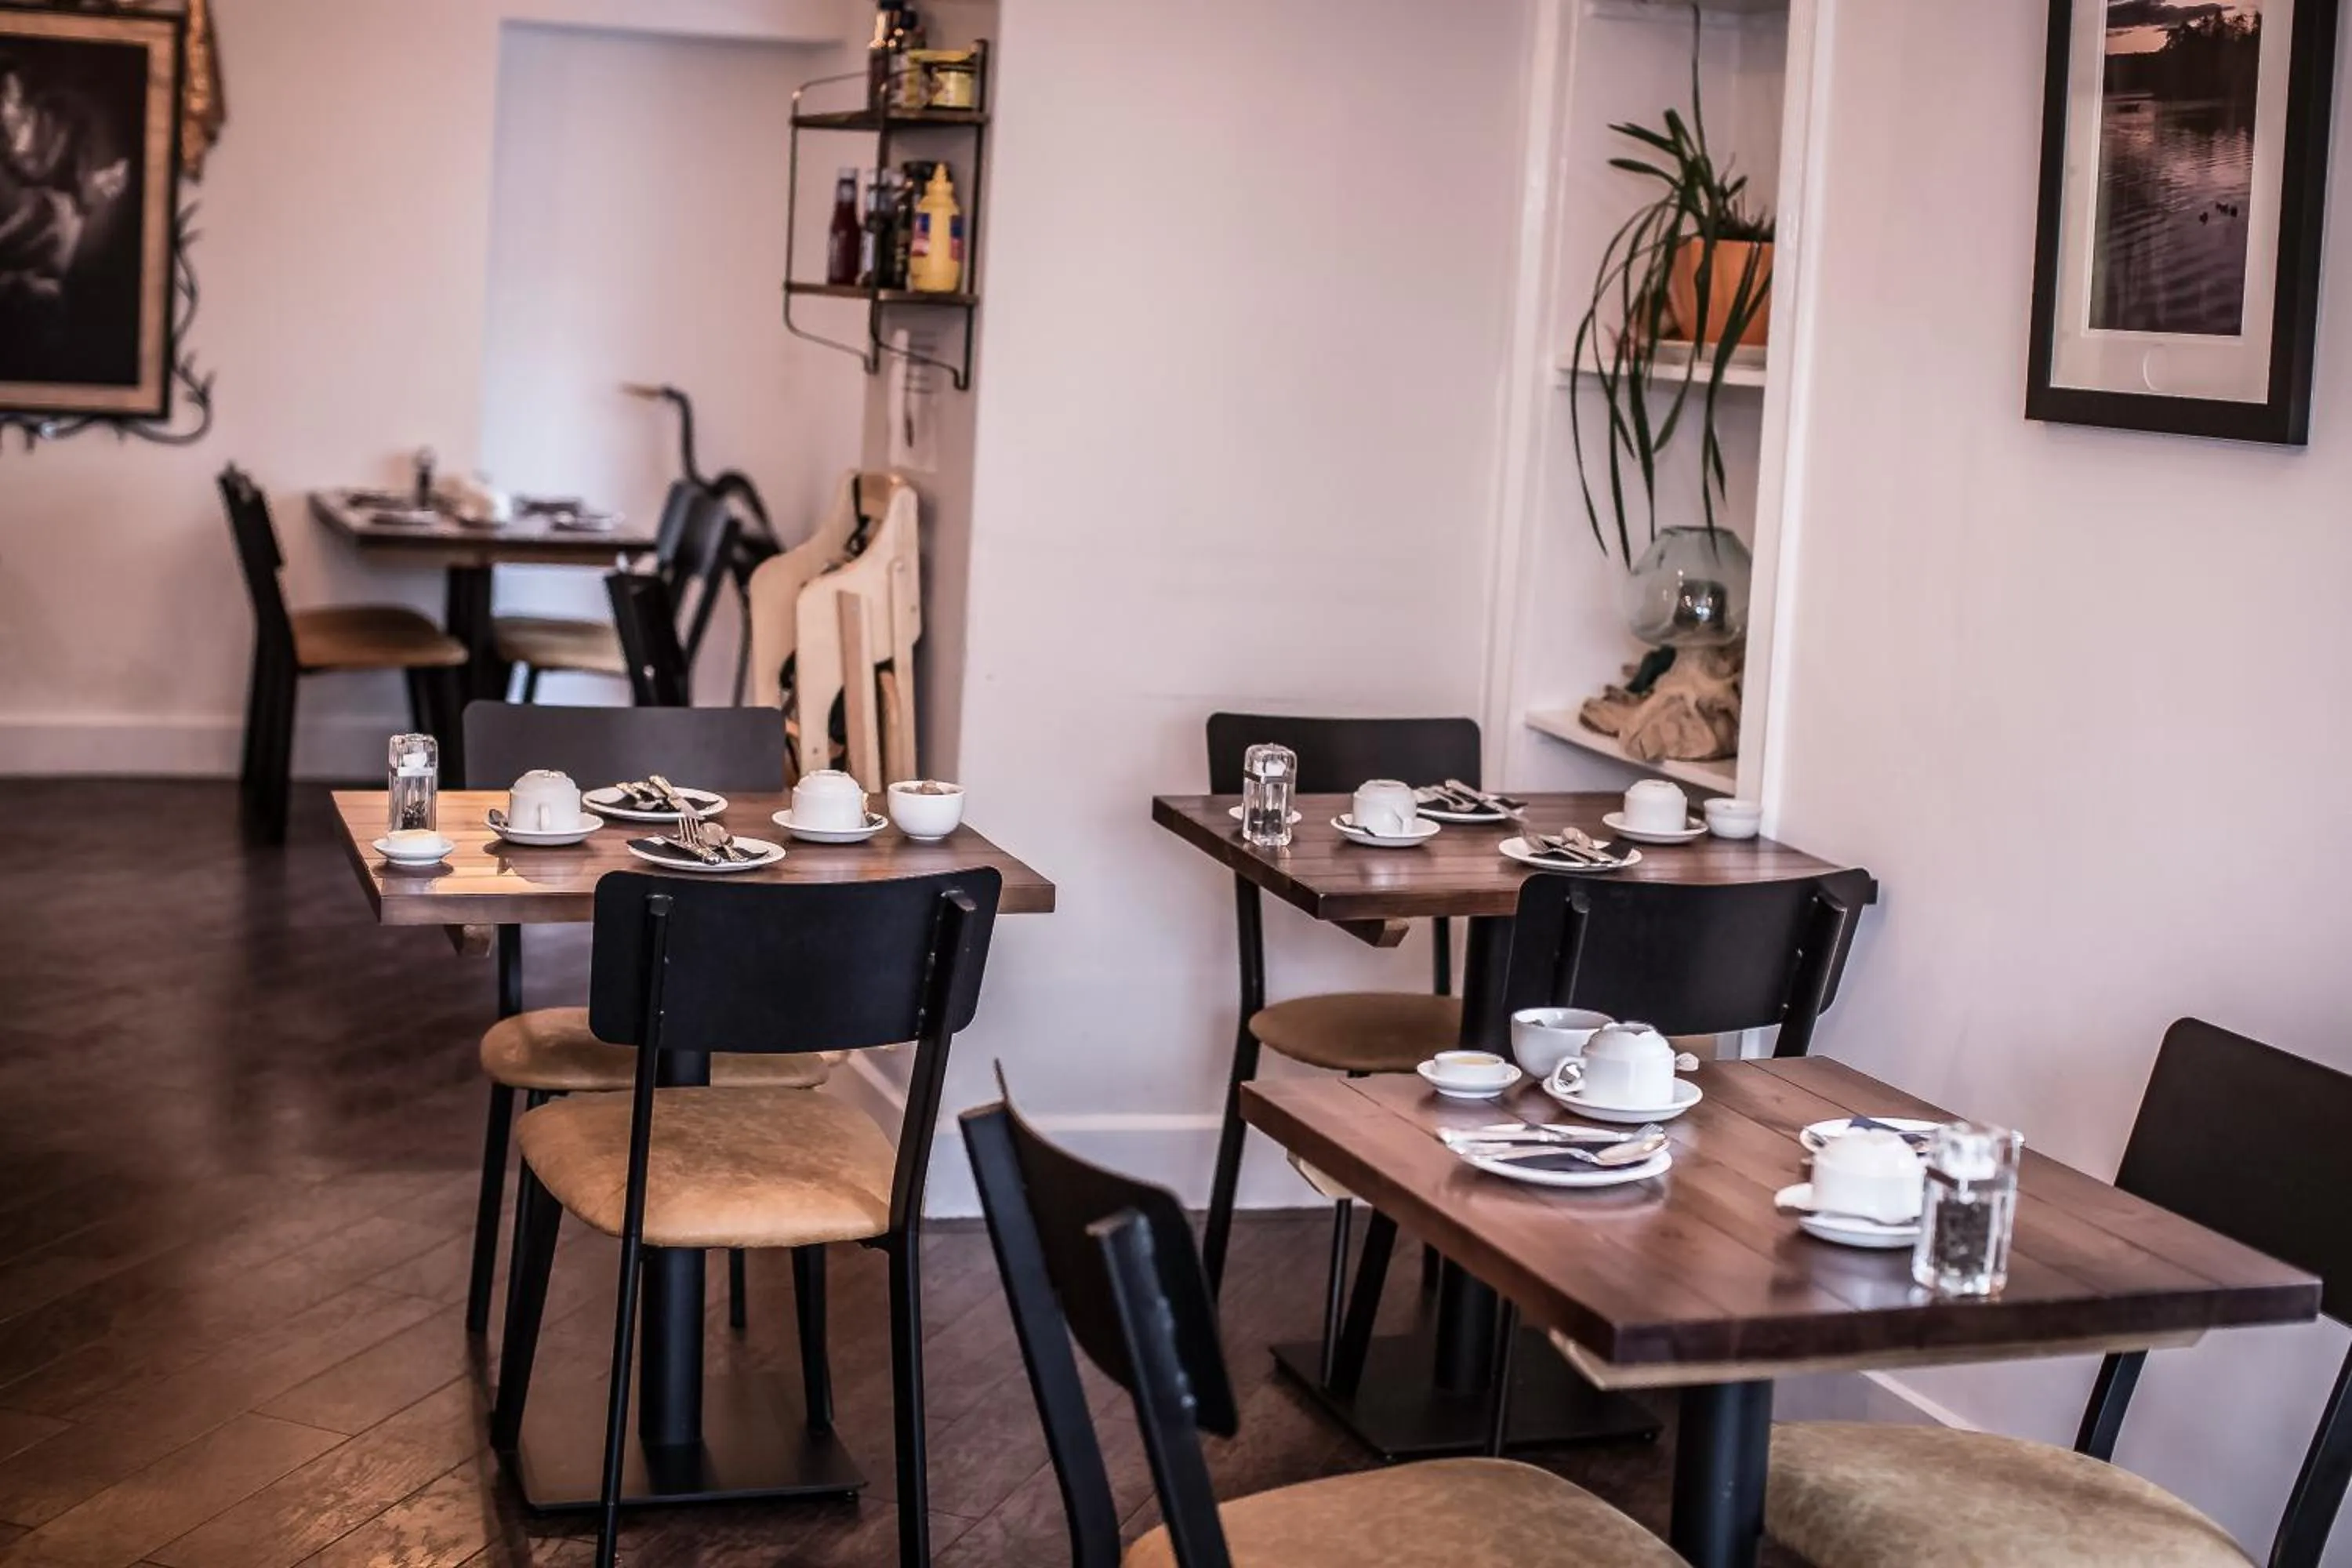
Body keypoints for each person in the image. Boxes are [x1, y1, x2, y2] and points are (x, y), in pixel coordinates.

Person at [0, 52, 132, 305]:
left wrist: (96, 182)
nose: (7, 108)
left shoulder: (53, 203)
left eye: (10, 97)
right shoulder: (31, 188)